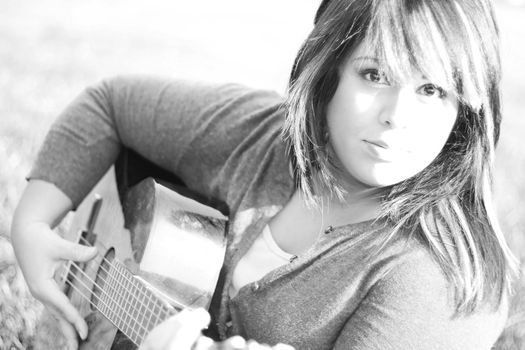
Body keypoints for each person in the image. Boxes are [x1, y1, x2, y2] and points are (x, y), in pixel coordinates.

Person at [10, 0, 519, 349]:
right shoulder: (259, 136)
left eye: (432, 90)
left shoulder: (443, 285)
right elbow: (109, 103)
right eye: (374, 74)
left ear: (465, 112)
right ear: (328, 74)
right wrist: (32, 225)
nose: (397, 115)